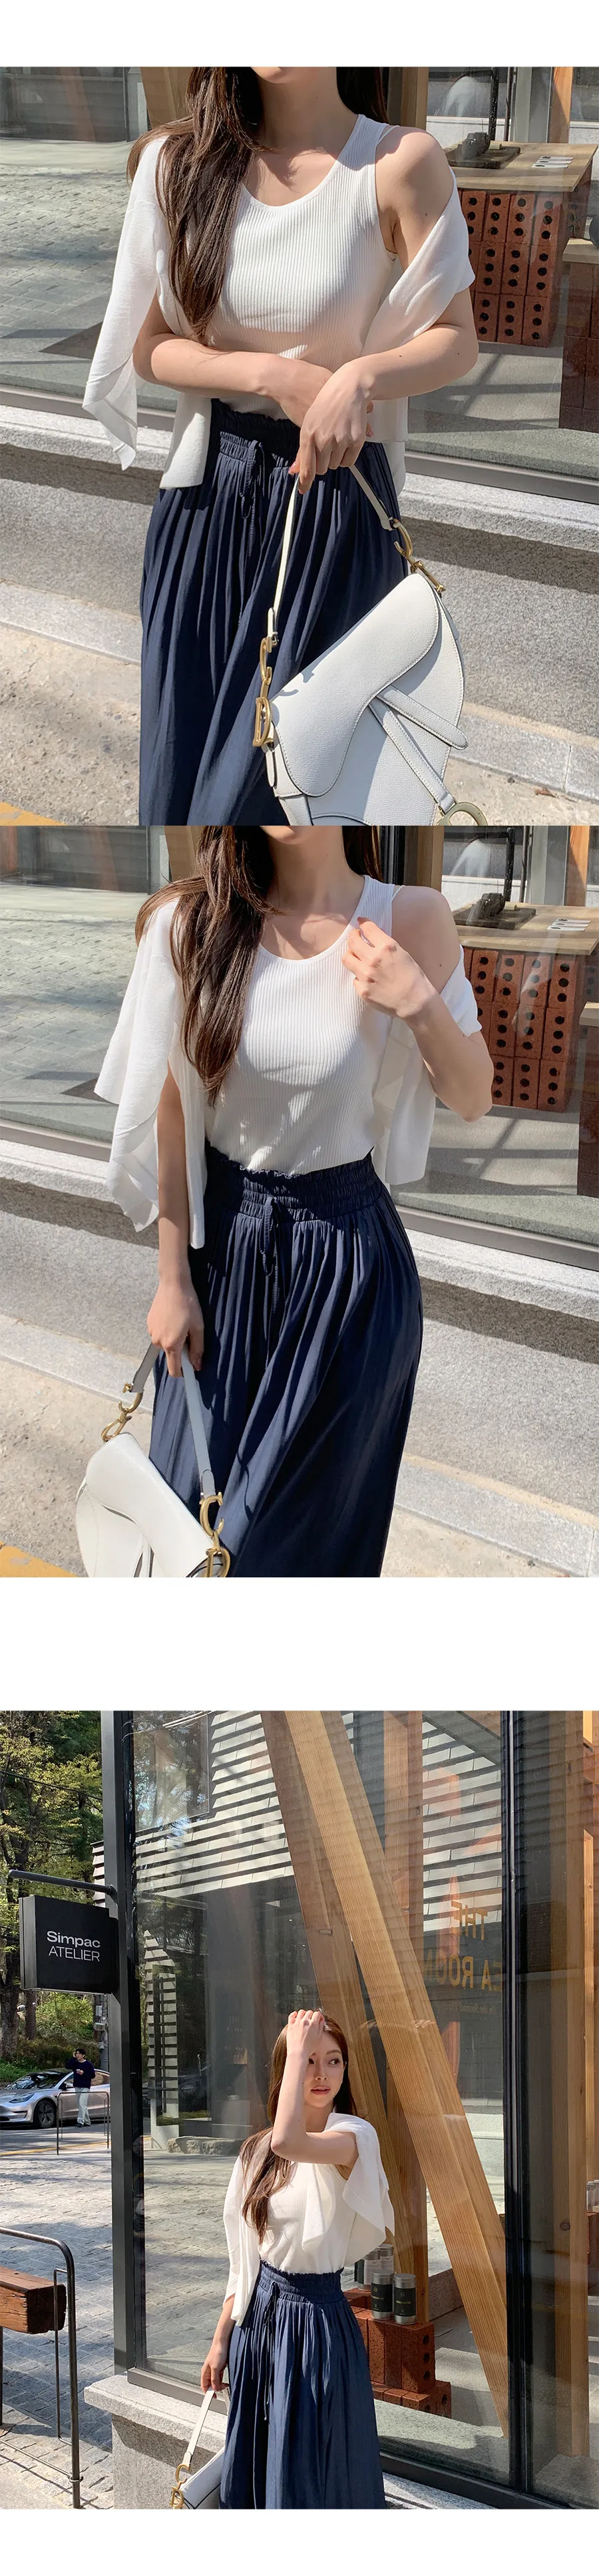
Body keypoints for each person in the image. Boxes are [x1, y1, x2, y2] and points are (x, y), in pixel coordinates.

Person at [83, 67, 477, 824]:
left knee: (302, 784)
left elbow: (457, 337)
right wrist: (272, 375)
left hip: (336, 507)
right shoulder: (178, 164)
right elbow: (149, 346)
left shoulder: (399, 163)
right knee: (191, 770)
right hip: (207, 505)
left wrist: (360, 378)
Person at [97, 824, 493, 1577]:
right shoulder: (192, 922)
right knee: (193, 1532)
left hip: (350, 1272)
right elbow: (173, 1108)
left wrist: (416, 999)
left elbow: (474, 1097)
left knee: (309, 1550)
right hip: (223, 1260)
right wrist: (171, 1278)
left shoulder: (410, 917)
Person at [201, 2009, 393, 2509]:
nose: (321, 2074)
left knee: (311, 2473)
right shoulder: (256, 2153)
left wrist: (297, 2049)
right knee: (260, 2460)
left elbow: (292, 2140)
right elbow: (244, 2261)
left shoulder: (354, 2137)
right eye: (307, 2061)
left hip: (316, 2325)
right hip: (258, 2320)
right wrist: (221, 2340)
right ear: (286, 2067)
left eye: (333, 2060)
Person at [69, 2044, 96, 2128]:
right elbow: (68, 2066)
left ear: (83, 2055)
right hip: (77, 2085)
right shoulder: (75, 2063)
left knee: (82, 2103)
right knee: (81, 2104)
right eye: (76, 2053)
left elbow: (93, 2075)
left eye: (79, 2054)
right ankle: (87, 2121)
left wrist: (84, 2074)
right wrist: (73, 2058)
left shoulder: (88, 2064)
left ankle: (80, 2121)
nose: (78, 2055)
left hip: (85, 2086)